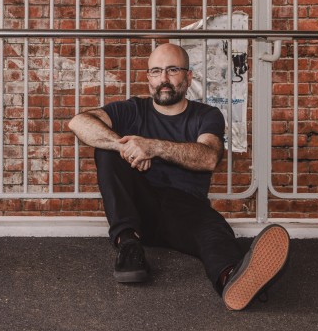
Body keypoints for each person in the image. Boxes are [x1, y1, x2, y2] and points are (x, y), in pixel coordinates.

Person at [67, 42, 290, 311]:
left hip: (185, 210)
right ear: (148, 77)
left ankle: (232, 279)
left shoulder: (206, 115)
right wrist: (122, 145)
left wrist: (153, 146)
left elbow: (208, 157)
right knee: (106, 150)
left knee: (215, 233)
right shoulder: (132, 109)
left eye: (172, 70)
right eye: (156, 71)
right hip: (139, 209)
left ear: (188, 76)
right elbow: (78, 122)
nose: (163, 79)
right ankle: (128, 246)